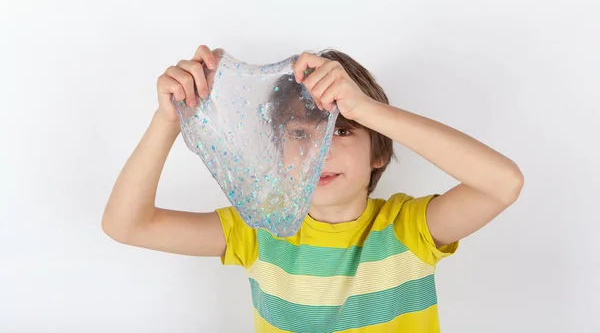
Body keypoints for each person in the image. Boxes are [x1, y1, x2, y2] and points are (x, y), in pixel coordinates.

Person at [102, 45, 524, 332]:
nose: (319, 151)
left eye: (340, 130)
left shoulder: (408, 229)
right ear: (277, 154)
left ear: (378, 151)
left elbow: (502, 184)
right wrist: (168, 120)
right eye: (300, 133)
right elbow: (126, 226)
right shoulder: (258, 230)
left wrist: (367, 109)